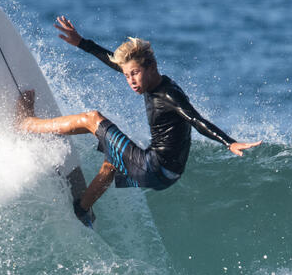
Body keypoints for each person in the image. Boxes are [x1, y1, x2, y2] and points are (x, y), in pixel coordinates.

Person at [15, 15, 260, 224]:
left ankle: (28, 124)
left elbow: (196, 119)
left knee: (93, 119)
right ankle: (82, 209)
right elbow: (114, 61)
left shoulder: (168, 95)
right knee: (113, 158)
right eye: (127, 75)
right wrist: (81, 43)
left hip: (153, 167)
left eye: (135, 73)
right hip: (167, 175)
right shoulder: (154, 82)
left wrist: (229, 142)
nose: (130, 80)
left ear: (151, 66)